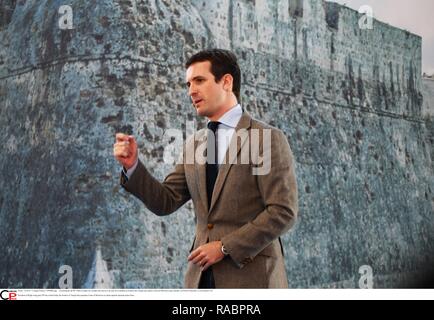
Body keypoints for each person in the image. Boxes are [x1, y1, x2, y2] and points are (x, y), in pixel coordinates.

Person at [113, 49, 298, 288]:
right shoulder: (194, 144)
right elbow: (166, 201)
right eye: (188, 84)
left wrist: (224, 247)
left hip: (252, 279)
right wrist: (132, 167)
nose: (191, 91)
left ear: (227, 82)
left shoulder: (267, 138)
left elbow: (282, 212)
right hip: (200, 279)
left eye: (199, 80)